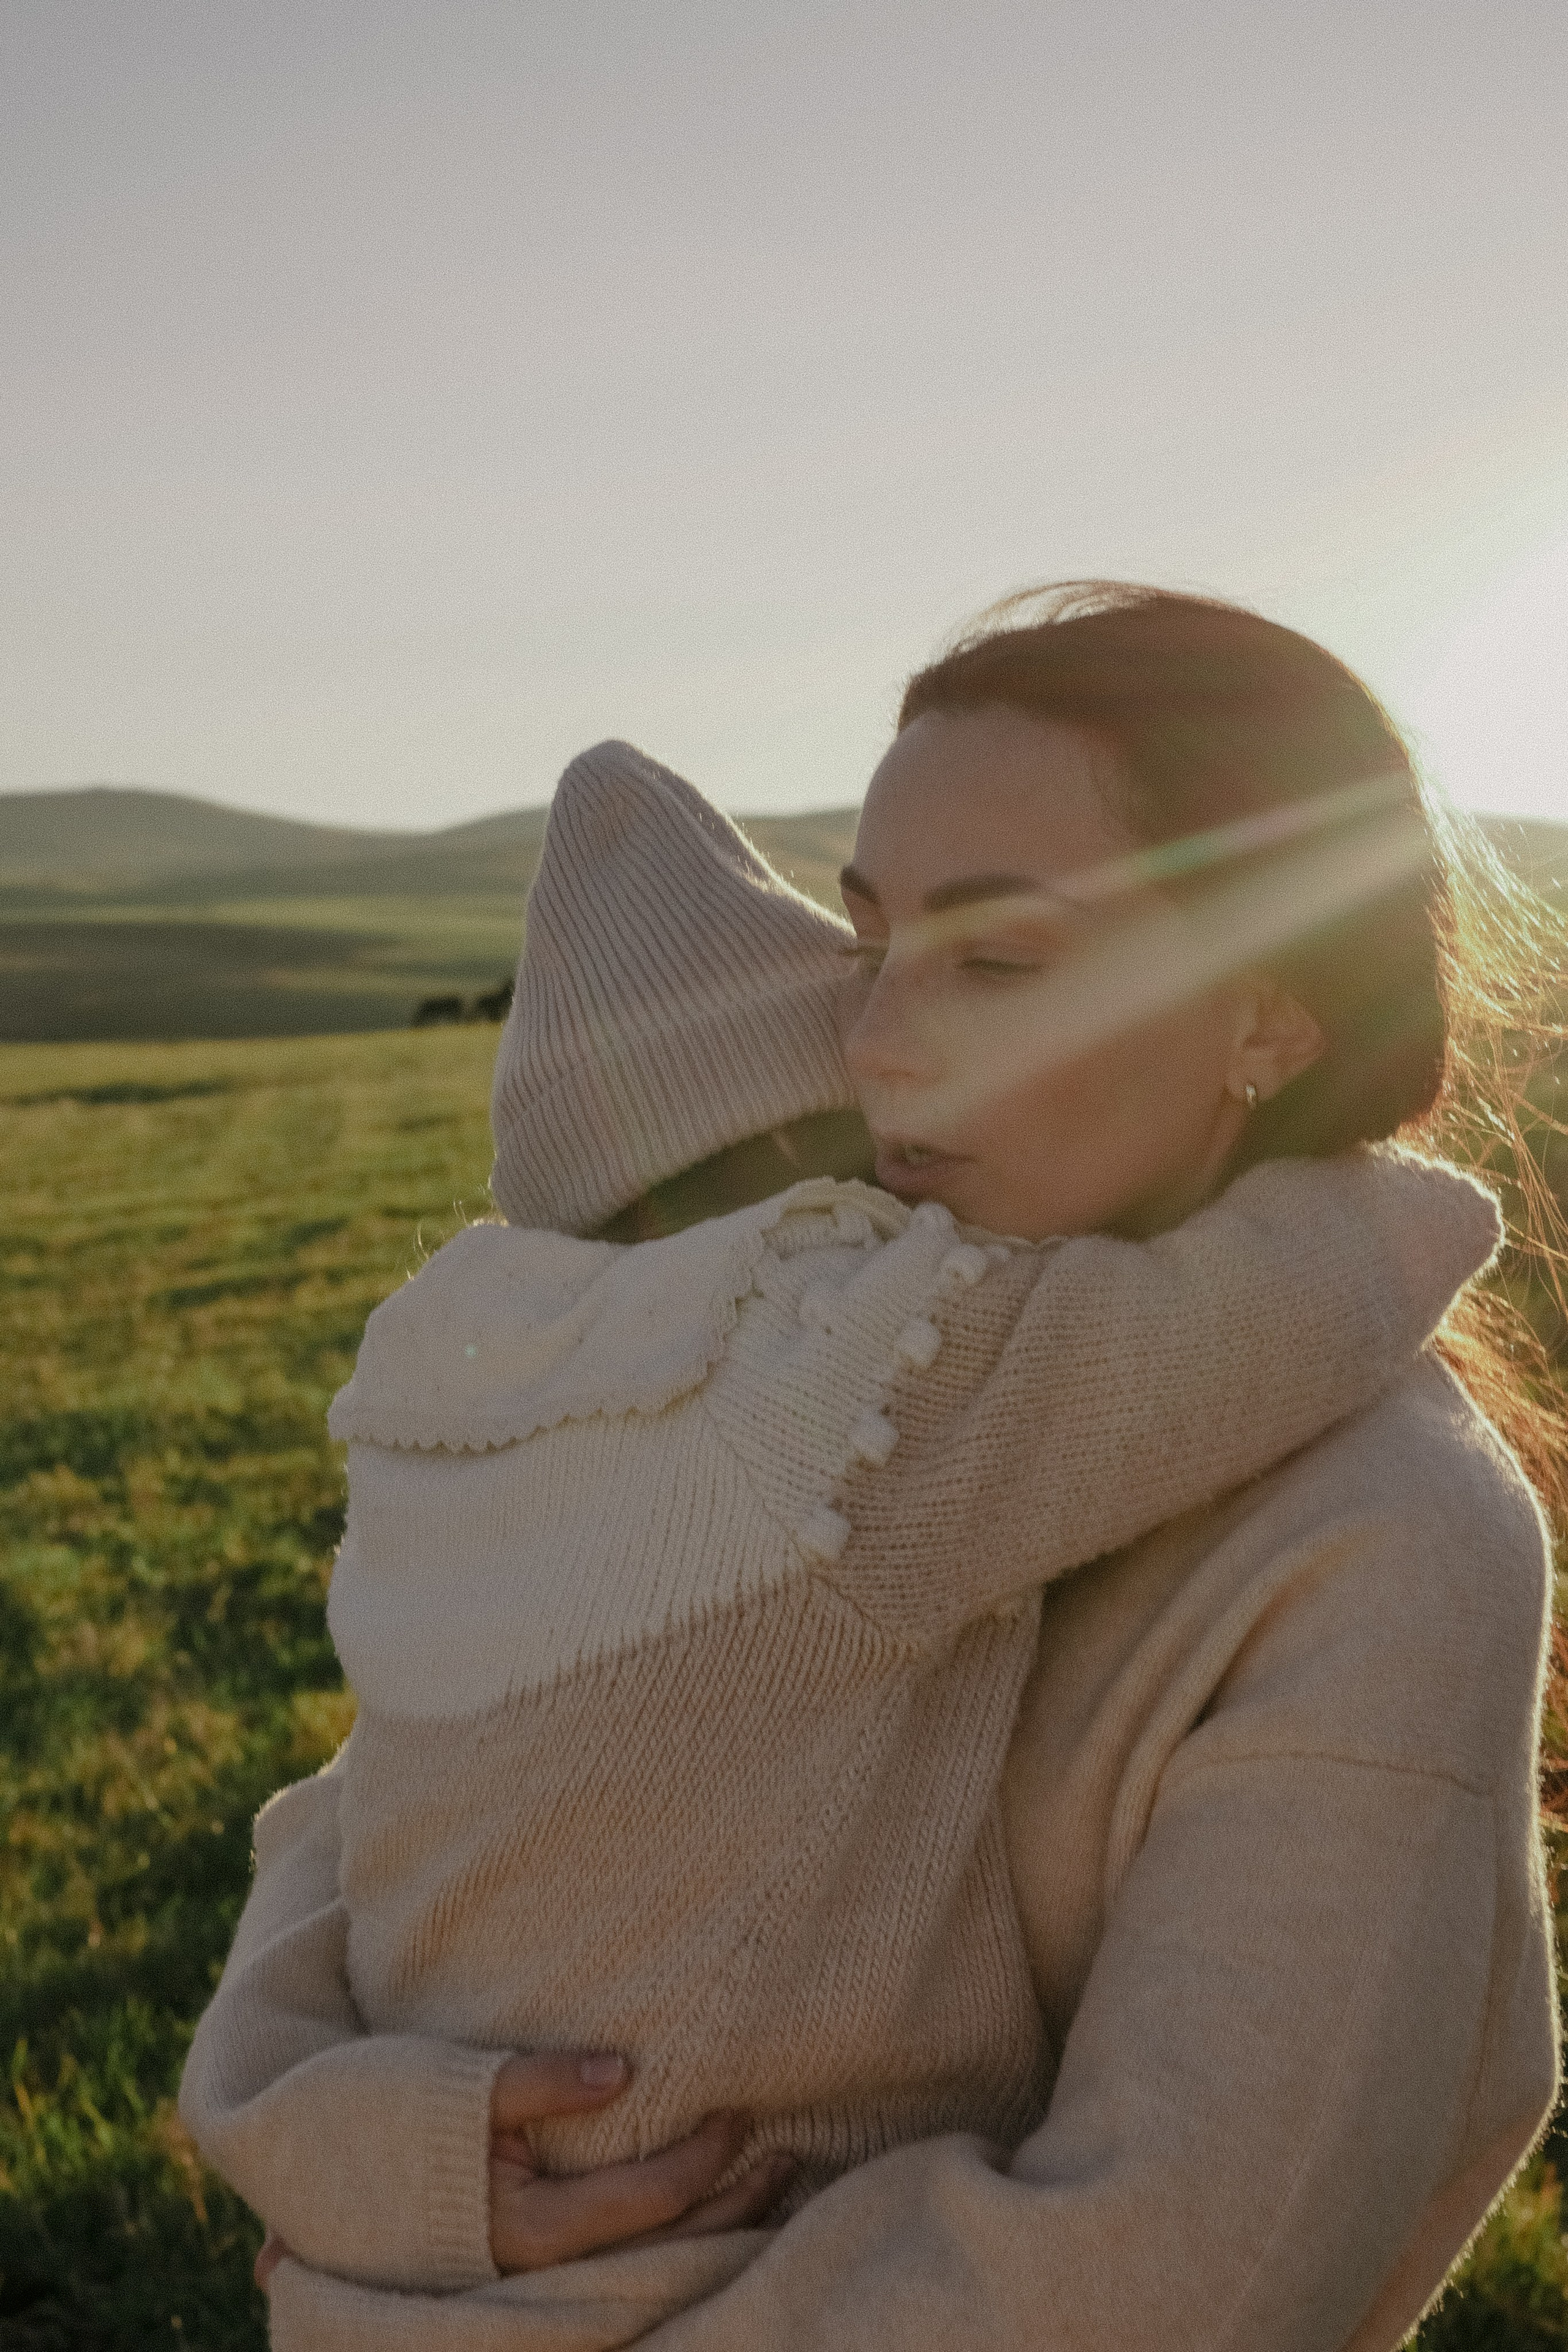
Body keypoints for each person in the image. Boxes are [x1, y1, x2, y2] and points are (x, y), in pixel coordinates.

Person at [183, 589, 1561, 2352]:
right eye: (868, 946)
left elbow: (1176, 2286)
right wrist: (370, 2156)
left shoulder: (1380, 1536)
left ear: (1269, 1019)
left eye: (996, 959)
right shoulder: (825, 1357)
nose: (879, 1043)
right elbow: (407, 1783)